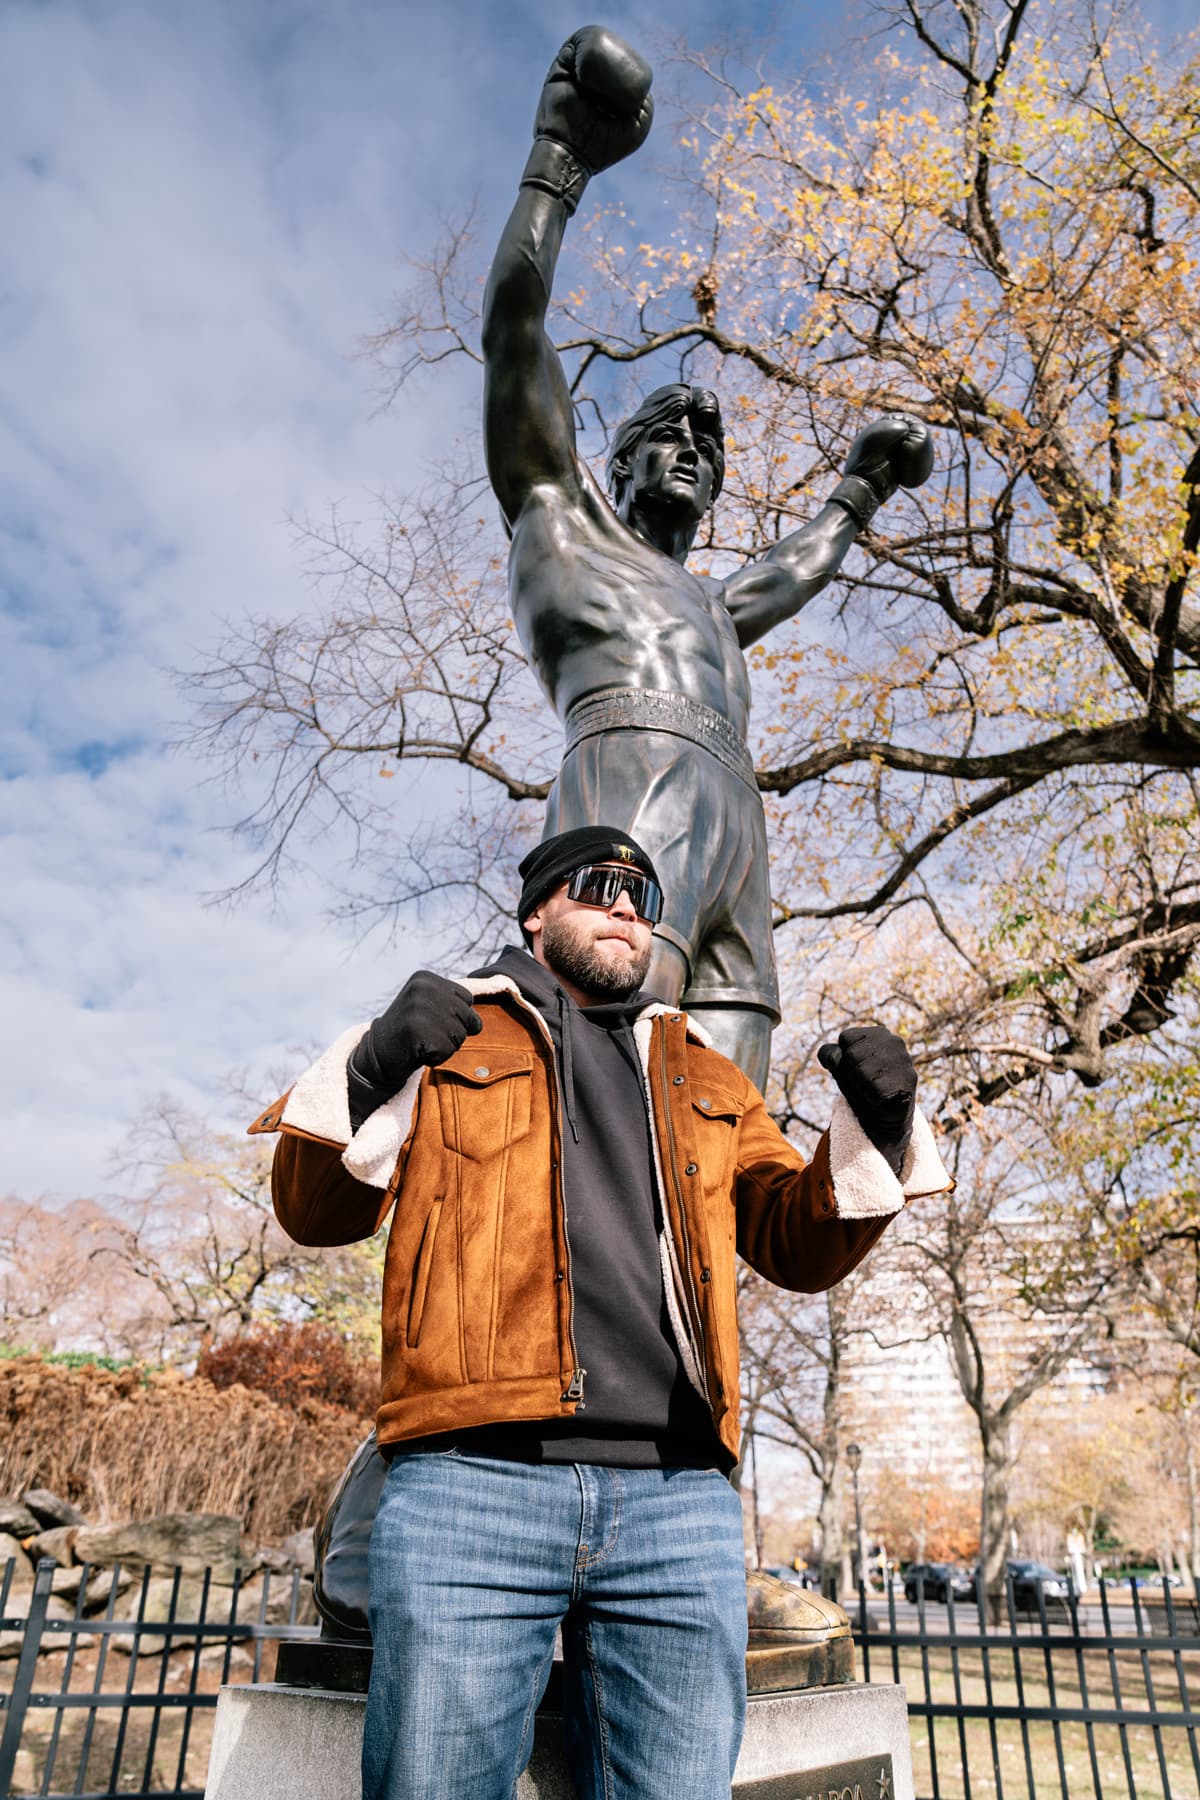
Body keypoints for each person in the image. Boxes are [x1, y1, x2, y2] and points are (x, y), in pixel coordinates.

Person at [252, 825, 952, 1800]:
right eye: (598, 885)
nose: (628, 906)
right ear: (538, 909)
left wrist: (877, 1126)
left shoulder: (704, 1068)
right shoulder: (449, 1035)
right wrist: (371, 1064)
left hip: (679, 1503)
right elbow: (314, 1211)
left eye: (645, 895)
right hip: (471, 1482)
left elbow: (797, 1240)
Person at [481, 27, 935, 1090]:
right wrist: (560, 164)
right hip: (633, 774)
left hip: (736, 817)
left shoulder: (710, 604)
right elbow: (513, 329)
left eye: (712, 449)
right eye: (669, 438)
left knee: (726, 1118)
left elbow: (790, 572)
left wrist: (859, 488)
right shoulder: (562, 518)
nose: (694, 454)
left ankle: (706, 1269)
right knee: (608, 1072)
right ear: (622, 462)